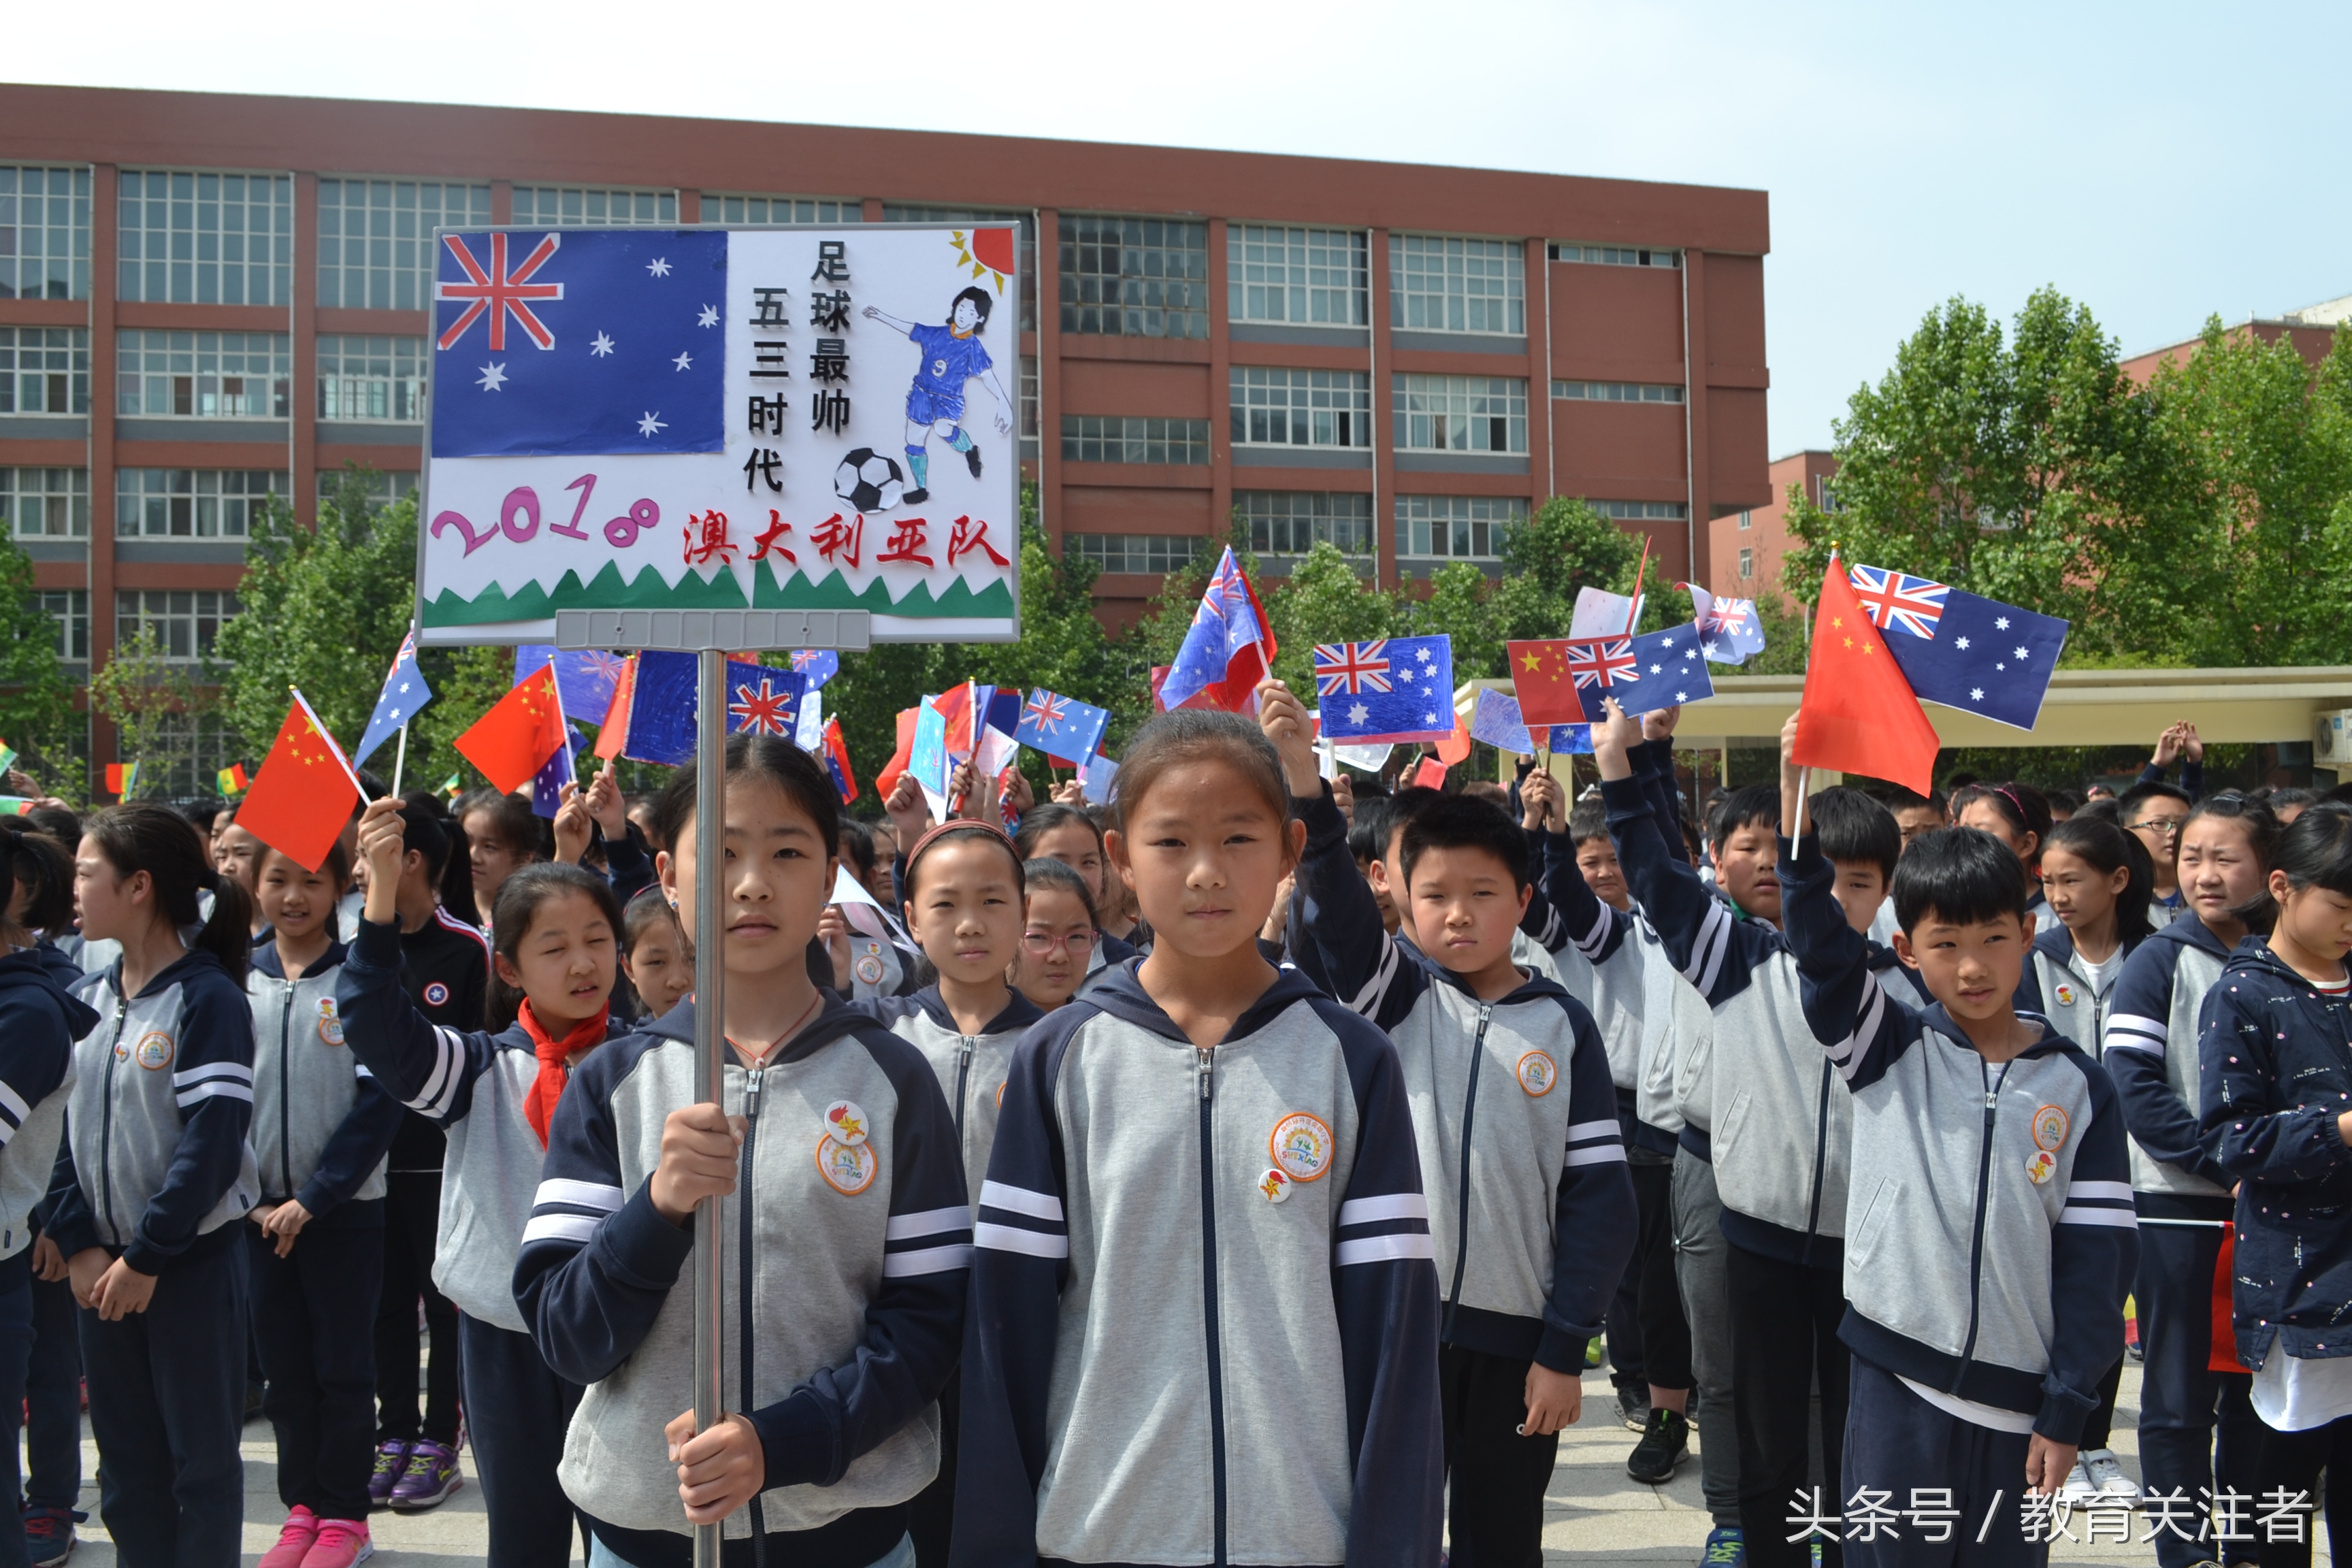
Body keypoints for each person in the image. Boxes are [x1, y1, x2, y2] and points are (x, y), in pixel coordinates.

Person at [954, 702, 1441, 1568]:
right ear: (1119, 863)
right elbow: (1006, 1335)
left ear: (1291, 851)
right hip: (1101, 1533)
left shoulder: (1349, 1060)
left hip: (1298, 1537)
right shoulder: (1059, 1059)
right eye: (1172, 843)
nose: (1207, 873)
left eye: (1240, 840)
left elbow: (1393, 1334)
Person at [515, 733, 970, 1568]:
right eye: (720, 853)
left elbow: (931, 1327)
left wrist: (784, 1442)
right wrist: (656, 1212)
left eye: (787, 852)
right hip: (645, 1537)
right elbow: (565, 1335)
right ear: (667, 877)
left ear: (830, 870)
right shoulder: (615, 1080)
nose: (753, 883)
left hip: (849, 1542)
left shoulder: (895, 1080)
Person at [1277, 680, 1634, 1567]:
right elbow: (1340, 914)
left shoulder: (1562, 1026)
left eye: (1484, 892)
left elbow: (1600, 1201)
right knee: (1380, 1537)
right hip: (1389, 1333)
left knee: (1502, 1540)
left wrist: (1562, 1348)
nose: (1460, 913)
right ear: (1400, 899)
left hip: (1518, 1347)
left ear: (1524, 901)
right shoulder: (1389, 1001)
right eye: (1435, 895)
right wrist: (1308, 796)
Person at [1772, 717, 2138, 1568]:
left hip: (2023, 1407)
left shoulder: (2078, 1086)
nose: (1973, 967)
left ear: (2028, 929)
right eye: (1945, 946)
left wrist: (2070, 1406)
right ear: (1905, 950)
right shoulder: (1887, 1046)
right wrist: (1799, 799)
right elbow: (1822, 953)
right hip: (1897, 1378)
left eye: (1993, 941)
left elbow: (2098, 1261)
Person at [1596, 708, 1857, 1566]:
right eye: (1806, 869)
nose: (1825, 895)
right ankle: (1739, 1523)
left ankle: (1828, 1527)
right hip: (1735, 1194)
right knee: (1736, 1375)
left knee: (1839, 1391)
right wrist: (1624, 770)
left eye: (1855, 881)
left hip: (1858, 1219)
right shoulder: (1733, 957)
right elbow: (1659, 877)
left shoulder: (1898, 976)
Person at [341, 800, 630, 1568]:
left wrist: (605, 847)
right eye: (555, 947)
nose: (582, 964)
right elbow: (375, 1023)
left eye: (598, 941)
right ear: (508, 967)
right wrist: (377, 892)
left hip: (624, 1336)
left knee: (628, 1529)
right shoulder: (476, 1069)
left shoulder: (648, 1062)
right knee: (526, 1530)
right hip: (505, 1335)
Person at [822, 819, 1041, 1568]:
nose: (971, 924)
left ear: (1024, 911)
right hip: (893, 1325)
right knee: (901, 1503)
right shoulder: (873, 1040)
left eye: (992, 901)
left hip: (1015, 1328)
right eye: (945, 905)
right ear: (909, 917)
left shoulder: (1065, 1045)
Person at [47, 805, 260, 1568]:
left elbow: (210, 1144)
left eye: (84, 871)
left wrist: (146, 1256)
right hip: (102, 1273)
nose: (72, 886)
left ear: (139, 886)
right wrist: (78, 1242)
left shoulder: (209, 999)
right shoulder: (90, 999)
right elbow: (61, 1135)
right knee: (127, 1473)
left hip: (186, 1268)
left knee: (199, 1468)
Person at [2105, 791, 2280, 1567]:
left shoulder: (2289, 961)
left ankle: (2248, 1547)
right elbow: (2134, 1086)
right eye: (2191, 857)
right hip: (2179, 1206)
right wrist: (2229, 1162)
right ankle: (2184, 1551)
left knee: (2259, 1401)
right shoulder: (2159, 959)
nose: (2204, 875)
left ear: (2273, 871)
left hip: (2275, 1213)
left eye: (2224, 858)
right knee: (2177, 1402)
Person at [2200, 804, 2352, 1567]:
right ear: (2285, 888)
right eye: (2344, 907)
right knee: (2277, 1498)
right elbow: (2232, 1138)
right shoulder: (2245, 995)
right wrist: (2339, 1130)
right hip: (2298, 1289)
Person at [245, 841, 403, 1568]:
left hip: (342, 1214)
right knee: (284, 1373)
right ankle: (301, 1508)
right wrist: (249, 1198)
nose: (294, 897)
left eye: (312, 881)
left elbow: (378, 1107)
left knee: (344, 1370)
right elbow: (214, 1110)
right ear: (253, 885)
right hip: (255, 1218)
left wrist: (315, 1197)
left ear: (343, 888)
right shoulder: (230, 981)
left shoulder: (361, 981)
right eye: (278, 880)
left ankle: (346, 1517)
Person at [368, 796, 487, 1511]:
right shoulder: (362, 944)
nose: (359, 868)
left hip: (439, 1166)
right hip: (367, 1170)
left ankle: (439, 1439)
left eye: (372, 853)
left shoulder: (467, 949)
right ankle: (394, 1433)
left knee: (444, 1309)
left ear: (411, 860)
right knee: (384, 1308)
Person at [0, 830, 95, 1568]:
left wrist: (60, 1218)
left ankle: (52, 1503)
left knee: (50, 1371)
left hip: (19, 1241)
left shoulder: (31, 1010)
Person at [862, 287, 1015, 505]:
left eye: (971, 312)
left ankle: (970, 450)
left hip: (949, 399)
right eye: (961, 308)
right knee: (913, 440)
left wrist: (1003, 402)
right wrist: (880, 315)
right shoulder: (937, 334)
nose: (964, 314)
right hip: (922, 393)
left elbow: (987, 376)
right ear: (955, 308)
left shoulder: (972, 346)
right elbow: (911, 329)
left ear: (980, 318)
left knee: (943, 429)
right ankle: (921, 488)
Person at [1952, 782, 2055, 925]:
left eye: (1982, 833)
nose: (1967, 841)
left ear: (2026, 844)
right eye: (1966, 830)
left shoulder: (2053, 918)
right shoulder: (1951, 904)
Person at [455, 788, 550, 935]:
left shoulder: (537, 917)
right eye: (467, 842)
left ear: (526, 857)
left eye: (490, 847)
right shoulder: (447, 912)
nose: (473, 857)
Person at [1008, 859, 1095, 1013]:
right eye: (1038, 937)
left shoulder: (1099, 1032)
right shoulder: (968, 1033)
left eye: (1077, 937)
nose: (1059, 956)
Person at [2120, 781, 2198, 928]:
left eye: (2182, 824)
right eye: (2160, 823)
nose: (2173, 832)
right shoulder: (2119, 900)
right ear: (2128, 832)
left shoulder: (2206, 893)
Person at [621, 889, 693, 1022]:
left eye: (694, 959)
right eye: (656, 962)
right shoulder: (625, 1043)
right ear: (629, 969)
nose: (677, 981)